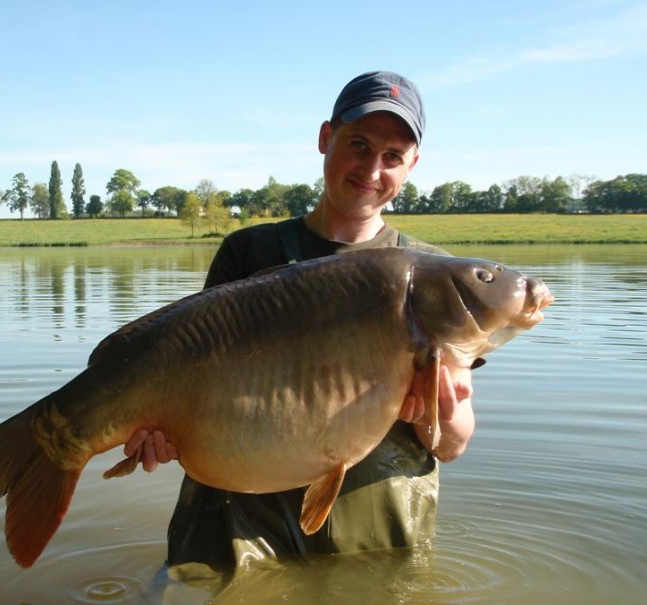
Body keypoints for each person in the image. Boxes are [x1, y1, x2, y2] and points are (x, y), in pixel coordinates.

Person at [126, 70, 475, 569]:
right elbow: (190, 384)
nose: (372, 169)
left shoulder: (437, 279)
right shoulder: (249, 253)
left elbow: (454, 442)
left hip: (377, 536)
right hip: (240, 531)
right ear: (326, 138)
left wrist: (432, 417)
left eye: (393, 156)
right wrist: (163, 429)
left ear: (411, 165)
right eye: (359, 145)